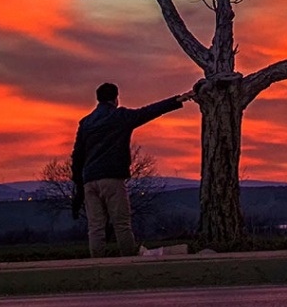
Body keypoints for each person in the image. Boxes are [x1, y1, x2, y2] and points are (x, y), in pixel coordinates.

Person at [70, 82, 194, 257]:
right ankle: (128, 262)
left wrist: (78, 186)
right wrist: (177, 100)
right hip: (112, 178)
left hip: (89, 180)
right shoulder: (120, 117)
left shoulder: (86, 123)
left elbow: (77, 157)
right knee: (121, 223)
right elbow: (148, 112)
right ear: (115, 99)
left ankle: (96, 264)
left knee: (95, 227)